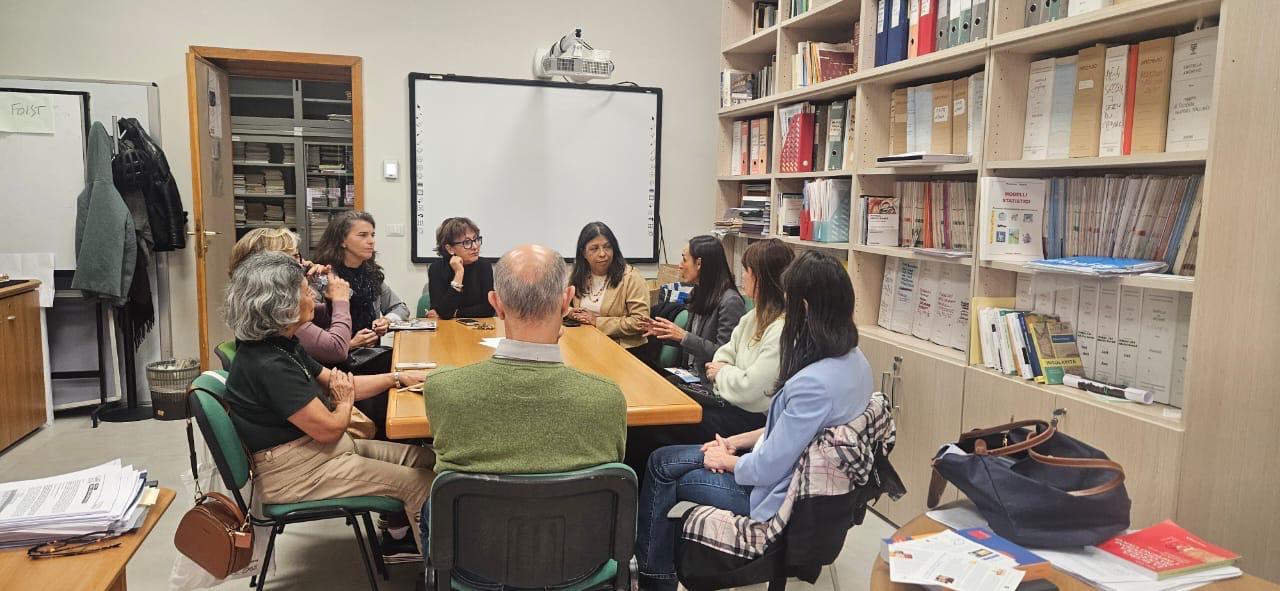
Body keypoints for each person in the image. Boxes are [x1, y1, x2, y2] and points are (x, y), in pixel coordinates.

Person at [634, 250, 874, 590]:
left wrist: (727, 461)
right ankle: (654, 573)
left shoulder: (813, 383)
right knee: (663, 459)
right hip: (790, 480)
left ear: (804, 307)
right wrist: (736, 442)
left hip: (774, 498)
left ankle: (655, 578)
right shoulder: (856, 363)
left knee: (661, 468)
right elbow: (793, 430)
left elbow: (765, 468)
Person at [222, 251, 433, 556]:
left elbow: (338, 381)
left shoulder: (281, 344)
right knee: (421, 484)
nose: (313, 296)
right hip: (297, 472)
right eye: (304, 291)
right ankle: (436, 570)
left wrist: (397, 378)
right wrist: (344, 402)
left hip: (319, 453)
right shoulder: (269, 365)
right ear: (282, 305)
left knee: (427, 461)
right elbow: (330, 428)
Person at [422, 244, 628, 550]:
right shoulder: (607, 398)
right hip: (580, 561)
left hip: (474, 562)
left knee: (431, 505)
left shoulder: (443, 389)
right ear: (566, 302)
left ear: (496, 304)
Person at [227, 228, 353, 366]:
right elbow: (336, 350)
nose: (303, 264)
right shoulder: (277, 312)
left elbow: (323, 319)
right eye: (293, 257)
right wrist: (340, 301)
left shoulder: (255, 301)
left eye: (298, 256)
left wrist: (322, 284)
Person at [642, 235, 745, 380]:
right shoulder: (698, 292)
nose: (680, 265)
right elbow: (693, 343)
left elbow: (724, 355)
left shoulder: (730, 301)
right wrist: (666, 333)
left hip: (709, 381)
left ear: (699, 263)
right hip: (689, 373)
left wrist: (683, 336)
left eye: (684, 260)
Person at [312, 211, 410, 349]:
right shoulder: (323, 276)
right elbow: (309, 338)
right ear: (342, 241)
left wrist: (387, 321)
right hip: (336, 357)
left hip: (370, 353)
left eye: (372, 235)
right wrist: (351, 345)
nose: (371, 241)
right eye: (363, 235)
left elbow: (401, 308)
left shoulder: (371, 274)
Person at [566, 222, 651, 352]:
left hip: (622, 349)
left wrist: (597, 321)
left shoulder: (631, 277)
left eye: (607, 247)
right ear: (583, 253)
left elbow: (640, 322)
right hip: (585, 343)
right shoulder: (578, 275)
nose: (602, 254)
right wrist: (572, 313)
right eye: (594, 249)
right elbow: (561, 306)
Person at [424, 217, 495, 319]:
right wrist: (459, 273)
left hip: (478, 327)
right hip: (447, 328)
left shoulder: (484, 266)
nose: (475, 246)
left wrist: (456, 313)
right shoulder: (436, 269)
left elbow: (488, 309)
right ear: (450, 248)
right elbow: (442, 312)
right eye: (467, 242)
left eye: (476, 239)